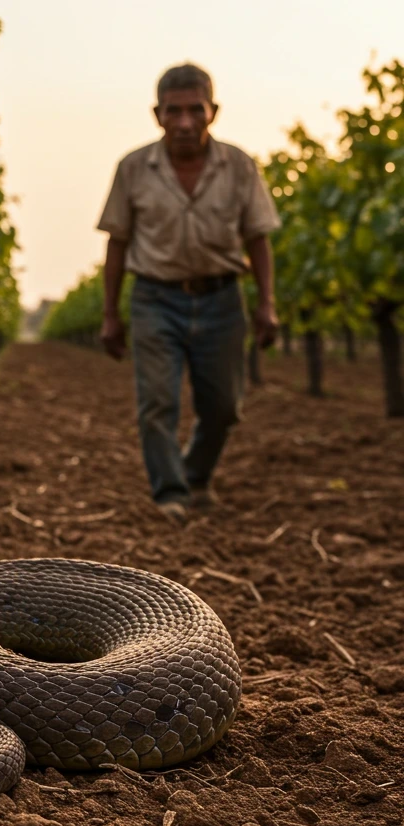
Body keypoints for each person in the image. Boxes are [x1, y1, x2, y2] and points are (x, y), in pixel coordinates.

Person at [96, 63, 280, 523]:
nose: (184, 122)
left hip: (222, 300)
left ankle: (196, 476)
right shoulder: (133, 168)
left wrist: (267, 304)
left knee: (222, 407)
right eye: (173, 111)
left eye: (194, 110)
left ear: (212, 111)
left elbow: (258, 237)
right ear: (157, 114)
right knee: (157, 401)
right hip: (155, 299)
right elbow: (117, 242)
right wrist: (110, 314)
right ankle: (170, 493)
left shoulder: (239, 166)